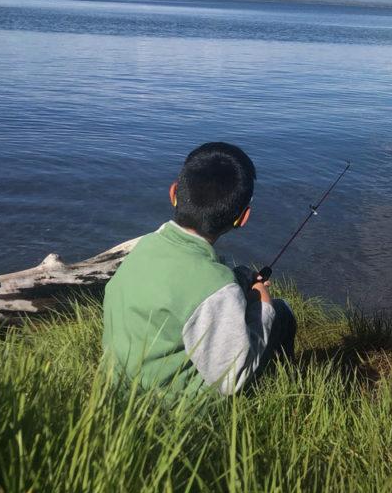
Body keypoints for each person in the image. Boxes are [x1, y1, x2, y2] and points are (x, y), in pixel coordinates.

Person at [102, 142, 296, 396]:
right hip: (174, 413)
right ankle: (281, 388)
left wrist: (239, 282)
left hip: (115, 389)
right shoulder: (215, 286)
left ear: (174, 193)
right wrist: (263, 300)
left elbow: (184, 285)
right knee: (282, 314)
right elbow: (230, 380)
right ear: (243, 218)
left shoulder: (144, 246)